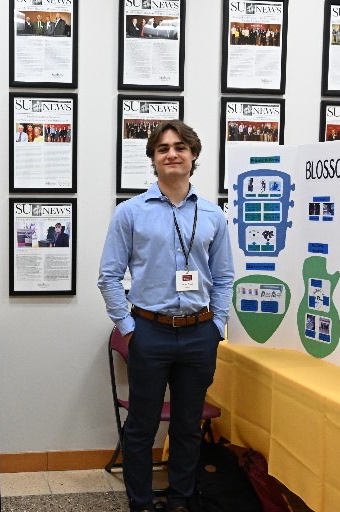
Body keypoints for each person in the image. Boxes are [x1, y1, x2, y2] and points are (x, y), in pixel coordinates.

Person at [97, 120, 234, 512]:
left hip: (199, 334)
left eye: (179, 147)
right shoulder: (131, 213)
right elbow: (108, 277)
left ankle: (180, 501)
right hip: (149, 333)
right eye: (162, 149)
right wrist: (128, 328)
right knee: (141, 428)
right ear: (153, 160)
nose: (171, 154)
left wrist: (218, 325)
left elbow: (224, 276)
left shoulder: (212, 216)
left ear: (193, 156)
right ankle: (140, 503)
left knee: (188, 428)